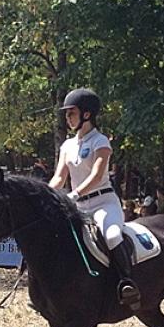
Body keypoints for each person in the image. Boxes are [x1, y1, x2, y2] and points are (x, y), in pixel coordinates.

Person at [48, 88, 141, 310]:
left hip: (103, 203)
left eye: (72, 113)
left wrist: (75, 193)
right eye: (67, 114)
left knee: (111, 235)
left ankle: (126, 282)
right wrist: (44, 194)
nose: (67, 118)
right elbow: (60, 177)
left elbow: (97, 174)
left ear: (86, 115)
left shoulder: (101, 142)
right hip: (77, 206)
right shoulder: (67, 146)